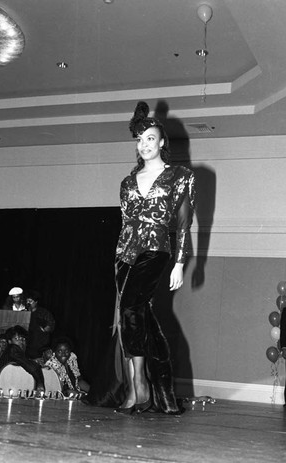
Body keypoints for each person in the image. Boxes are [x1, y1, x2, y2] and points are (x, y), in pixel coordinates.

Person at [83, 101, 195, 415]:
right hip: (124, 253)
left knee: (132, 307)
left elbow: (184, 221)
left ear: (161, 142)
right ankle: (155, 393)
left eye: (150, 138)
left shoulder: (180, 176)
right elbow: (124, 223)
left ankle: (139, 382)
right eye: (139, 139)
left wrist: (180, 262)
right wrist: (119, 256)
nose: (144, 144)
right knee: (138, 317)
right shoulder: (127, 183)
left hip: (156, 249)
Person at [0, 325, 45, 396]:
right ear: (10, 341)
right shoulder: (12, 349)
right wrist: (40, 383)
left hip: (8, 392)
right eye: (17, 339)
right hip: (4, 394)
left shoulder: (13, 354)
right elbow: (32, 368)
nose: (21, 341)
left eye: (23, 339)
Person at [25, 290, 55, 361]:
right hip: (26, 346)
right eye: (27, 301)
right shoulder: (23, 313)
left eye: (30, 301)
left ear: (36, 302)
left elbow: (51, 325)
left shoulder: (44, 313)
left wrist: (44, 329)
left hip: (39, 345)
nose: (28, 303)